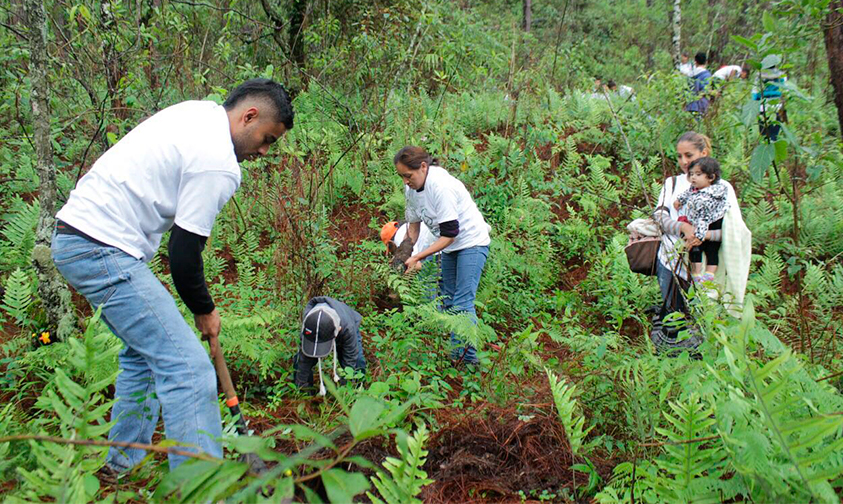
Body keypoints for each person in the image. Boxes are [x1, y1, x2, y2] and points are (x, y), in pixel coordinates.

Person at [51, 78, 294, 473]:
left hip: (79, 238)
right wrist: (205, 309)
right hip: (101, 247)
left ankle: (120, 466)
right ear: (249, 116)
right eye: (267, 138)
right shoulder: (217, 161)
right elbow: (183, 254)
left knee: (145, 355)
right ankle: (202, 491)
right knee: (189, 368)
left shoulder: (196, 112)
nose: (265, 151)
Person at [394, 146, 491, 365]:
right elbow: (414, 226)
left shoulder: (441, 186)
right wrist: (406, 252)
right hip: (449, 246)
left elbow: (449, 234)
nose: (405, 182)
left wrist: (419, 258)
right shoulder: (411, 189)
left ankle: (467, 361)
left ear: (423, 167)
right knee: (447, 299)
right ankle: (455, 352)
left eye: (408, 176)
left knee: (462, 302)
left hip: (471, 242)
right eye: (401, 177)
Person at [652, 132, 751, 326]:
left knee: (704, 322)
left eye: (689, 155)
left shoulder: (722, 188)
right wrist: (683, 227)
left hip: (707, 268)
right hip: (670, 261)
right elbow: (659, 217)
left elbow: (733, 232)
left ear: (703, 152)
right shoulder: (672, 183)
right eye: (679, 156)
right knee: (674, 321)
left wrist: (702, 235)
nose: (684, 161)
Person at [293, 297, 366, 396]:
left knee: (358, 361)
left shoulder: (348, 328)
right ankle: (305, 393)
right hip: (316, 333)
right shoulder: (309, 324)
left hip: (344, 328)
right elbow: (304, 360)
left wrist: (345, 389)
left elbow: (350, 359)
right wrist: (302, 387)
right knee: (299, 360)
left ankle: (357, 391)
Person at [673, 157, 729, 284]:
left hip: (712, 224)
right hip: (698, 223)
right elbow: (687, 193)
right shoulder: (694, 189)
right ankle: (696, 274)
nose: (693, 178)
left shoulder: (712, 194)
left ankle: (709, 273)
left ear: (711, 177)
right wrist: (679, 200)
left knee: (711, 250)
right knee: (695, 251)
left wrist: (699, 236)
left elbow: (705, 218)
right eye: (691, 174)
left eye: (698, 174)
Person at [752, 67, 787, 141]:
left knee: (764, 133)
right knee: (774, 134)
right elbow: (785, 92)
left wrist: (754, 106)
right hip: (777, 107)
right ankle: (773, 147)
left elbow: (754, 93)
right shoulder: (782, 76)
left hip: (763, 106)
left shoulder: (759, 76)